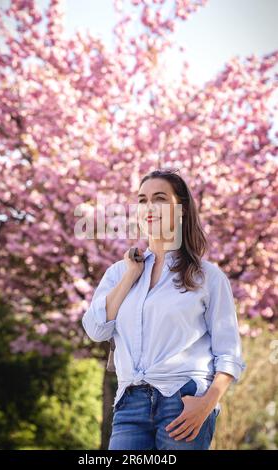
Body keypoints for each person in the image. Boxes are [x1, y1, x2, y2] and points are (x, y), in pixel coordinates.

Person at [82, 168, 246, 450]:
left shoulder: (207, 277)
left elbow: (229, 353)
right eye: (142, 200)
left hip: (183, 400)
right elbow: (96, 329)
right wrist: (130, 277)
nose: (149, 207)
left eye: (159, 198)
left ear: (180, 209)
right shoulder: (119, 272)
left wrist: (207, 404)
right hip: (129, 403)